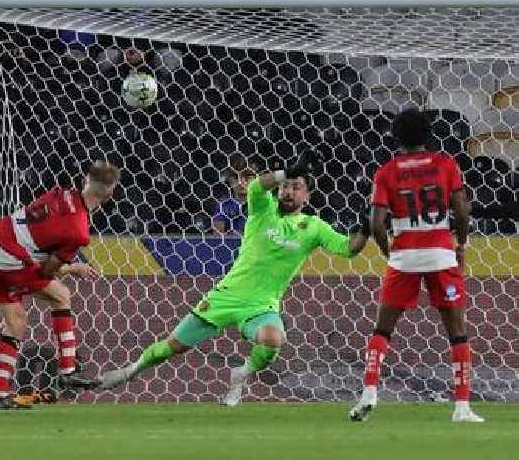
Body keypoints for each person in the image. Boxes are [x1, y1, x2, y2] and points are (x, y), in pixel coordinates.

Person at [98, 157, 370, 405]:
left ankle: (241, 374)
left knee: (273, 339)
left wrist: (366, 225)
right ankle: (129, 371)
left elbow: (349, 248)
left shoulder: (314, 227)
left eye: (296, 187)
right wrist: (285, 172)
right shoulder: (264, 210)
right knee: (172, 348)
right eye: (285, 186)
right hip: (226, 295)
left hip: (261, 305)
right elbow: (254, 188)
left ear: (307, 195)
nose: (288, 191)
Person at [348, 108, 482, 423]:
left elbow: (376, 223)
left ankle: (369, 393)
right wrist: (461, 244)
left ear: (396, 136)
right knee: (457, 332)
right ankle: (462, 407)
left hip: (404, 256)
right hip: (441, 254)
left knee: (383, 328)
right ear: (428, 134)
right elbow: (462, 211)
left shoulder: (386, 171)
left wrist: (388, 252)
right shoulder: (446, 165)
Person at [0, 161, 120, 408]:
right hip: (7, 258)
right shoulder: (78, 231)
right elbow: (46, 271)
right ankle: (67, 372)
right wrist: (73, 268)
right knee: (61, 295)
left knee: (16, 320)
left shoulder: (61, 193)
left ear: (85, 180)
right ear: (111, 191)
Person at [212, 169, 255, 235]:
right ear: (229, 181)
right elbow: (217, 236)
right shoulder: (223, 204)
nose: (241, 182)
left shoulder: (264, 202)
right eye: (236, 178)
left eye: (247, 177)